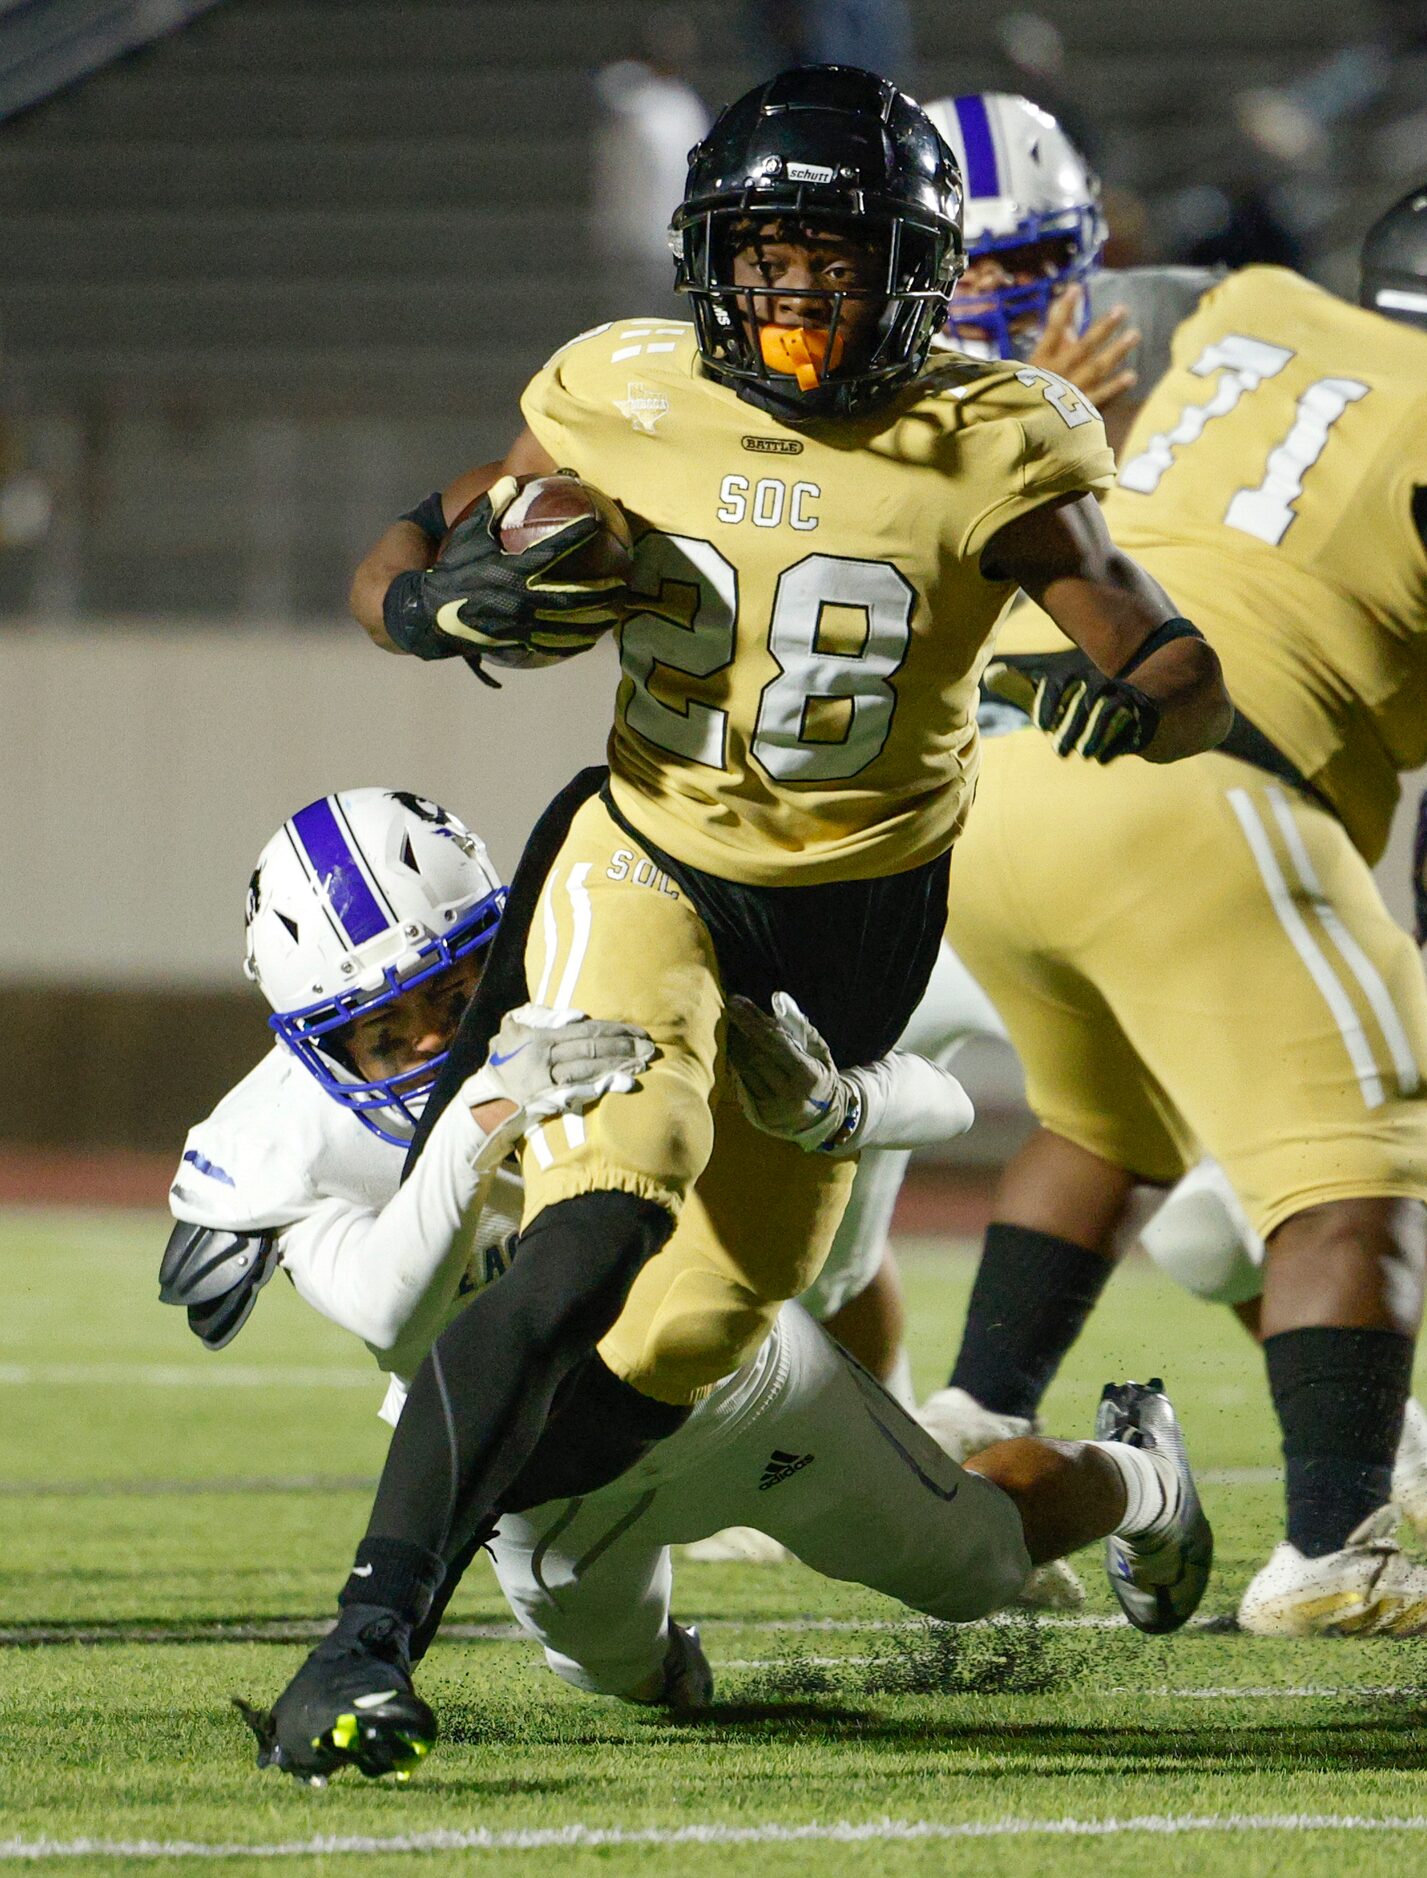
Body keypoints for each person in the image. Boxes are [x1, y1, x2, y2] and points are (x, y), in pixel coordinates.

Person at [260, 65, 1231, 1777]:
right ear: (709, 256)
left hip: (855, 926)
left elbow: (1168, 653)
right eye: (763, 257)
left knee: (710, 1317)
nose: (792, 294)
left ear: (911, 271)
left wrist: (1143, 697)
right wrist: (423, 601)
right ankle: (362, 1638)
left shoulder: (992, 430)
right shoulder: (621, 387)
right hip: (645, 858)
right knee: (589, 1227)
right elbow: (414, 539)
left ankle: (548, 1473)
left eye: (832, 259)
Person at [163, 787, 1215, 1782]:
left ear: (502, 937)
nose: (432, 1039)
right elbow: (389, 1308)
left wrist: (835, 1105)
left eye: (452, 991)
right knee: (618, 1679)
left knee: (979, 1569)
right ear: (314, 1041)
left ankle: (1142, 1477)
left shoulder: (609, 955)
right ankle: (662, 1655)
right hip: (529, 1471)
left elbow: (940, 1098)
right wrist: (481, 1118)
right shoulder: (270, 1145)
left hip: (736, 1383)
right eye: (382, 1031)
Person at [916, 183, 1427, 1638]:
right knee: (1354, 1163)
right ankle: (1337, 1542)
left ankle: (968, 1416)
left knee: (1100, 1118)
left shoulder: (1251, 304)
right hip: (1197, 774)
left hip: (998, 759)